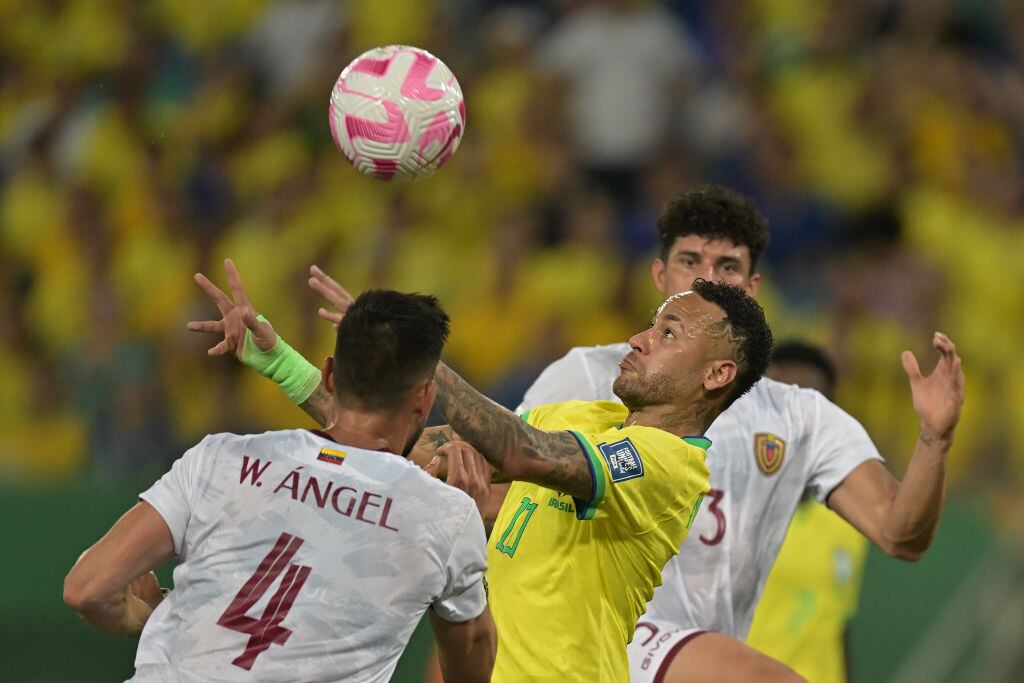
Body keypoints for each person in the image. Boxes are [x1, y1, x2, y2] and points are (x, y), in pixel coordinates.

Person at [191, 263, 774, 682]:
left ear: (717, 374)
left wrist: (415, 353)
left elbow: (522, 452)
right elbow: (395, 445)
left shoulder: (673, 465)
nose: (639, 339)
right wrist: (284, 365)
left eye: (668, 333)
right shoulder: (578, 418)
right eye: (651, 324)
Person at [515, 184, 965, 683]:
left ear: (751, 288)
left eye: (727, 267)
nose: (707, 279)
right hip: (590, 652)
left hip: (706, 657)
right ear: (659, 275)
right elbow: (500, 494)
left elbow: (902, 535)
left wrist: (934, 439)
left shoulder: (797, 417)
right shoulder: (585, 375)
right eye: (689, 261)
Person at [63, 262, 496, 683]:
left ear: (329, 375)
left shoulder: (218, 457)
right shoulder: (445, 515)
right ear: (424, 398)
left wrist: (153, 615)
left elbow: (86, 589)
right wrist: (467, 551)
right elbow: (472, 668)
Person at [745, 341, 869, 683]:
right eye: (783, 404)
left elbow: (837, 625)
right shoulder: (721, 508)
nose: (795, 421)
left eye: (810, 406)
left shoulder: (847, 521)